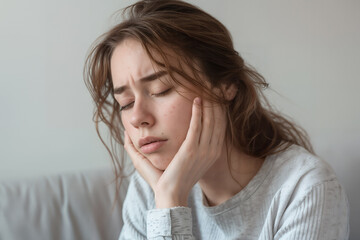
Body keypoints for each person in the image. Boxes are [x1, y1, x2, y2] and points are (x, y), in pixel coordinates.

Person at [84, 0, 350, 239]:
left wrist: (170, 208)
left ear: (225, 84)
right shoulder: (150, 188)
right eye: (126, 103)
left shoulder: (304, 189)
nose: (137, 118)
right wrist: (168, 199)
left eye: (160, 90)